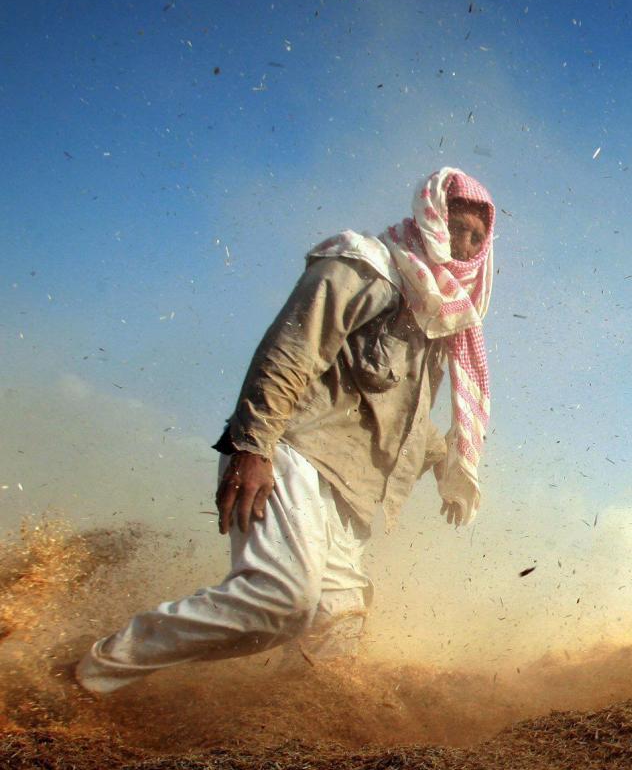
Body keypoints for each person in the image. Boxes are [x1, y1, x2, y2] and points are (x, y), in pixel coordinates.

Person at [73, 167, 497, 694]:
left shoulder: (439, 316)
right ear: (430, 215)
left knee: (336, 629)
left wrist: (449, 464)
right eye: (457, 226)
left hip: (351, 490)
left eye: (477, 238)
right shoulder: (366, 266)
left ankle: (296, 739)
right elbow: (290, 353)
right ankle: (91, 670)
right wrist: (252, 446)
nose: (464, 242)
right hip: (288, 454)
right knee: (280, 598)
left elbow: (399, 414)